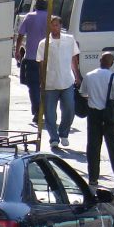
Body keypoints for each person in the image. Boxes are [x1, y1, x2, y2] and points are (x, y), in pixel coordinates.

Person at [79, 52, 114, 190]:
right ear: (111, 63)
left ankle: (93, 178)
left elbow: (83, 93)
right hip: (108, 115)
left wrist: (93, 99)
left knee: (93, 147)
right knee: (113, 144)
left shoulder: (89, 76)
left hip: (93, 115)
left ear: (100, 61)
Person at [36, 15, 81, 149]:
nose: (55, 27)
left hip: (67, 80)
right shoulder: (44, 43)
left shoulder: (69, 40)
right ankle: (53, 138)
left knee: (69, 109)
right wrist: (42, 80)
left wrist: (77, 75)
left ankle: (64, 133)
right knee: (50, 112)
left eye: (57, 25)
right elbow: (41, 63)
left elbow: (74, 58)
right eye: (52, 25)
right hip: (50, 82)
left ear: (60, 26)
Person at [15, 0, 49, 121]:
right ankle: (45, 110)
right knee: (45, 86)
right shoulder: (50, 18)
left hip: (31, 57)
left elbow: (20, 35)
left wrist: (17, 50)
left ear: (35, 5)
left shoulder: (29, 16)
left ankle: (37, 111)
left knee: (33, 86)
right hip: (47, 59)